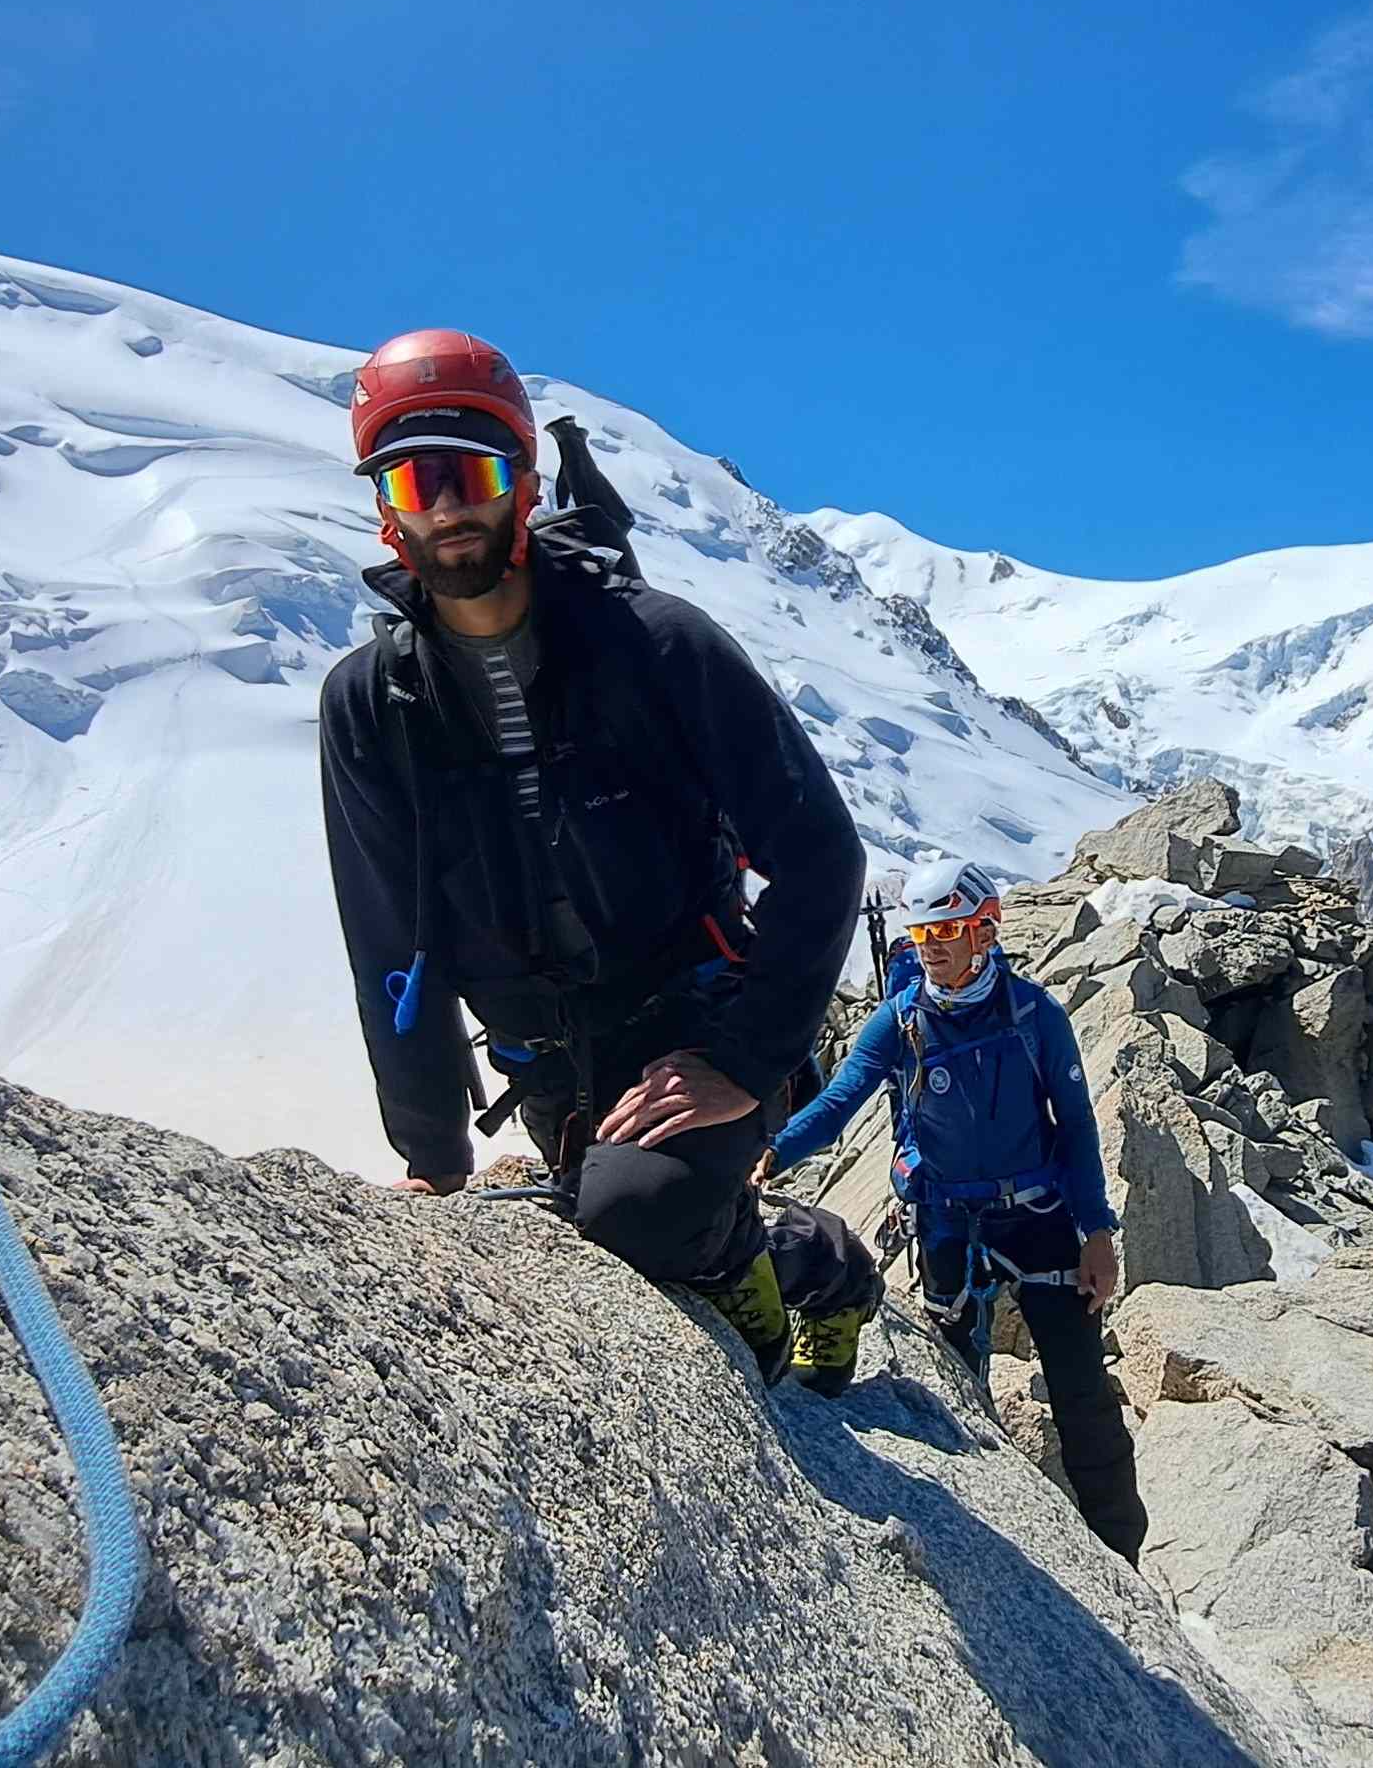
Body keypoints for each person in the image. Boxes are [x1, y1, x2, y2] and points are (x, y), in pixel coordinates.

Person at [318, 327, 882, 1393]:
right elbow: (389, 940)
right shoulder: (369, 702)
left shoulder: (658, 645)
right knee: (603, 1211)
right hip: (546, 1061)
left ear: (521, 482)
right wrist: (432, 1155)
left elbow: (818, 855)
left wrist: (741, 1060)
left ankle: (816, 1271)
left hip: (696, 1023)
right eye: (412, 477)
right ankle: (771, 1239)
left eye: (471, 472)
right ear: (385, 505)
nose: (446, 506)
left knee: (629, 1215)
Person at [757, 858, 1150, 1559]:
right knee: (961, 1391)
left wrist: (1098, 1231)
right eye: (923, 932)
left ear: (985, 930)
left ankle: (1119, 1553)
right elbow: (839, 1103)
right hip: (948, 1225)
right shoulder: (901, 1019)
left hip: (1041, 1224)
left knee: (1082, 1392)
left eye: (948, 929)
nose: (933, 945)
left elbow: (1078, 1126)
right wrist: (773, 1153)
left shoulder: (1035, 1015)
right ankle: (993, 1541)